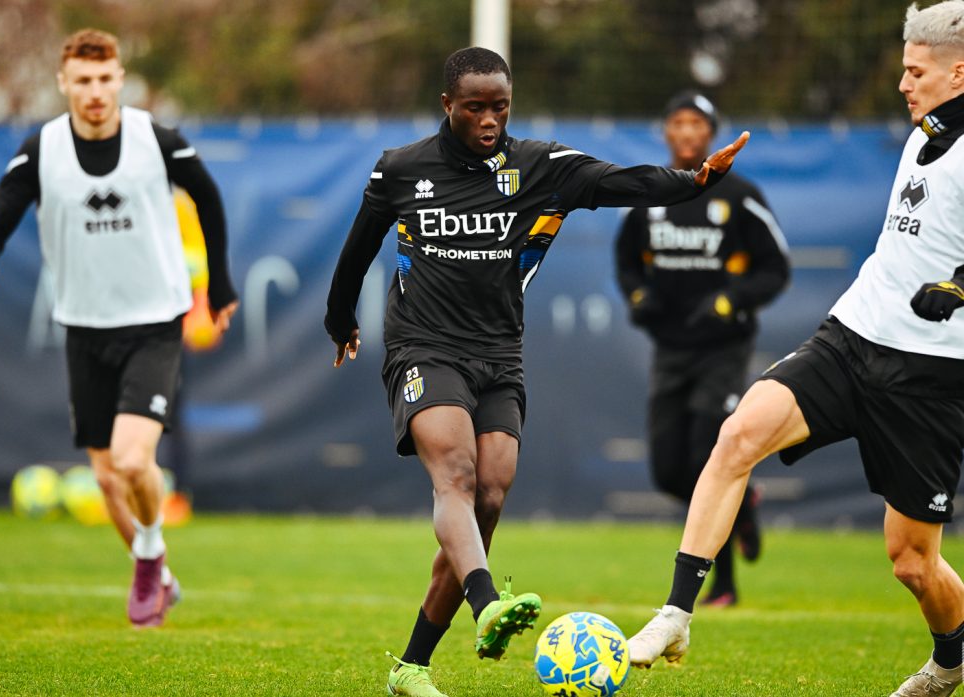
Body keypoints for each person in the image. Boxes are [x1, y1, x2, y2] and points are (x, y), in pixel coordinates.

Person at [325, 46, 750, 697]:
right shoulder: (402, 168)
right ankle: (486, 603)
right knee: (457, 473)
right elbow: (359, 247)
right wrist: (340, 317)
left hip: (499, 353)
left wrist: (694, 182)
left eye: (499, 106)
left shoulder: (542, 168)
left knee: (491, 494)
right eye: (474, 107)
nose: (489, 120)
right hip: (423, 347)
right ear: (447, 105)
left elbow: (625, 183)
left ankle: (411, 667)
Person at [626, 3, 964, 695]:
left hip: (928, 373)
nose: (903, 83)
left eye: (915, 71)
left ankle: (950, 662)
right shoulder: (923, 135)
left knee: (911, 562)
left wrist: (957, 287)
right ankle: (676, 613)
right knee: (738, 434)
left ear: (959, 73)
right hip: (852, 337)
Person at [0, 29, 238, 627]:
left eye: (105, 78)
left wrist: (219, 285)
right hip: (85, 328)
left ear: (119, 80)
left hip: (154, 323)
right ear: (64, 83)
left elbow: (208, 198)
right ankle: (158, 571)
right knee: (108, 480)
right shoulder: (43, 149)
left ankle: (149, 554)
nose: (95, 91)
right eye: (83, 80)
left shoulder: (155, 139)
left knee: (134, 461)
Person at [615, 91, 790, 607]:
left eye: (697, 123)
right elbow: (627, 263)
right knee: (669, 471)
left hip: (723, 350)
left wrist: (731, 300)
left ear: (712, 133)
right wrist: (639, 295)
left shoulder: (739, 195)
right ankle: (745, 502)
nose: (687, 132)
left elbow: (775, 268)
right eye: (678, 122)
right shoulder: (653, 193)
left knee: (705, 458)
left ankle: (725, 584)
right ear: (666, 131)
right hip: (670, 349)